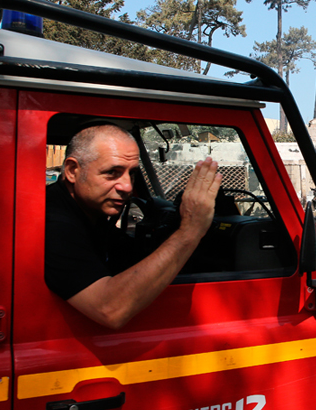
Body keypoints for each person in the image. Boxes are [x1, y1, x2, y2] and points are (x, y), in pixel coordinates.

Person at [45, 124, 222, 329]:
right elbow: (110, 308)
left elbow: (127, 253)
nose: (127, 186)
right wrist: (190, 231)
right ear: (72, 171)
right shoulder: (53, 223)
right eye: (112, 172)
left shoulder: (90, 213)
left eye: (132, 174)